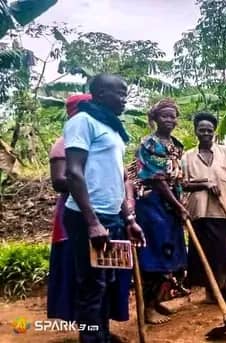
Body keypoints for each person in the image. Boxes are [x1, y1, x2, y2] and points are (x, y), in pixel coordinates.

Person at [63, 74, 145, 342]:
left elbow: (116, 178)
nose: (124, 99)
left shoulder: (112, 129)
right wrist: (92, 223)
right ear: (98, 94)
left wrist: (129, 218)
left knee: (107, 281)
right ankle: (90, 338)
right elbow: (74, 173)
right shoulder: (81, 122)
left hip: (112, 217)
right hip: (87, 217)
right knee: (91, 285)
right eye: (118, 94)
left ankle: (102, 334)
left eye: (125, 93)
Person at [126, 99, 188, 324]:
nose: (170, 120)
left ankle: (158, 301)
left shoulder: (176, 144)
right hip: (153, 205)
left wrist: (179, 203)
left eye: (173, 116)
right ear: (154, 119)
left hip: (170, 205)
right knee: (153, 254)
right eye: (165, 116)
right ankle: (147, 308)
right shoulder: (149, 144)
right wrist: (179, 206)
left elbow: (176, 177)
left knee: (169, 253)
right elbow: (159, 181)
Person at [182, 112, 226, 303]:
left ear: (214, 132)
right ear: (196, 132)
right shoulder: (187, 157)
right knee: (204, 254)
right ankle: (211, 291)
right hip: (198, 212)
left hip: (222, 210)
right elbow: (183, 184)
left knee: (223, 252)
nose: (206, 133)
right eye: (202, 130)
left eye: (209, 130)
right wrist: (204, 184)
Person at [47, 93, 92, 322]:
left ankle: (95, 323)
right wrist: (90, 185)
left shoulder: (93, 138)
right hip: (72, 213)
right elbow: (59, 181)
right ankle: (87, 327)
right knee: (75, 268)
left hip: (96, 210)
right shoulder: (63, 143)